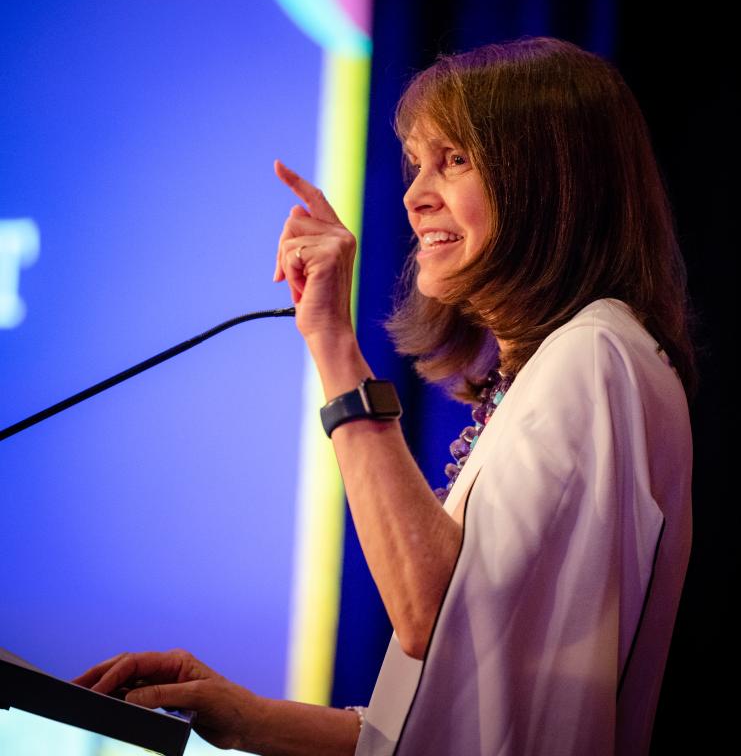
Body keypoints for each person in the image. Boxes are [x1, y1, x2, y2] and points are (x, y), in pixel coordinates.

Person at [74, 37, 695, 755]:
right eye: (416, 164)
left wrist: (334, 344)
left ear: (552, 178)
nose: (414, 195)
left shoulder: (594, 353)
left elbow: (429, 614)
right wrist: (243, 716)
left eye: (454, 159)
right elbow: (457, 706)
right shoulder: (577, 361)